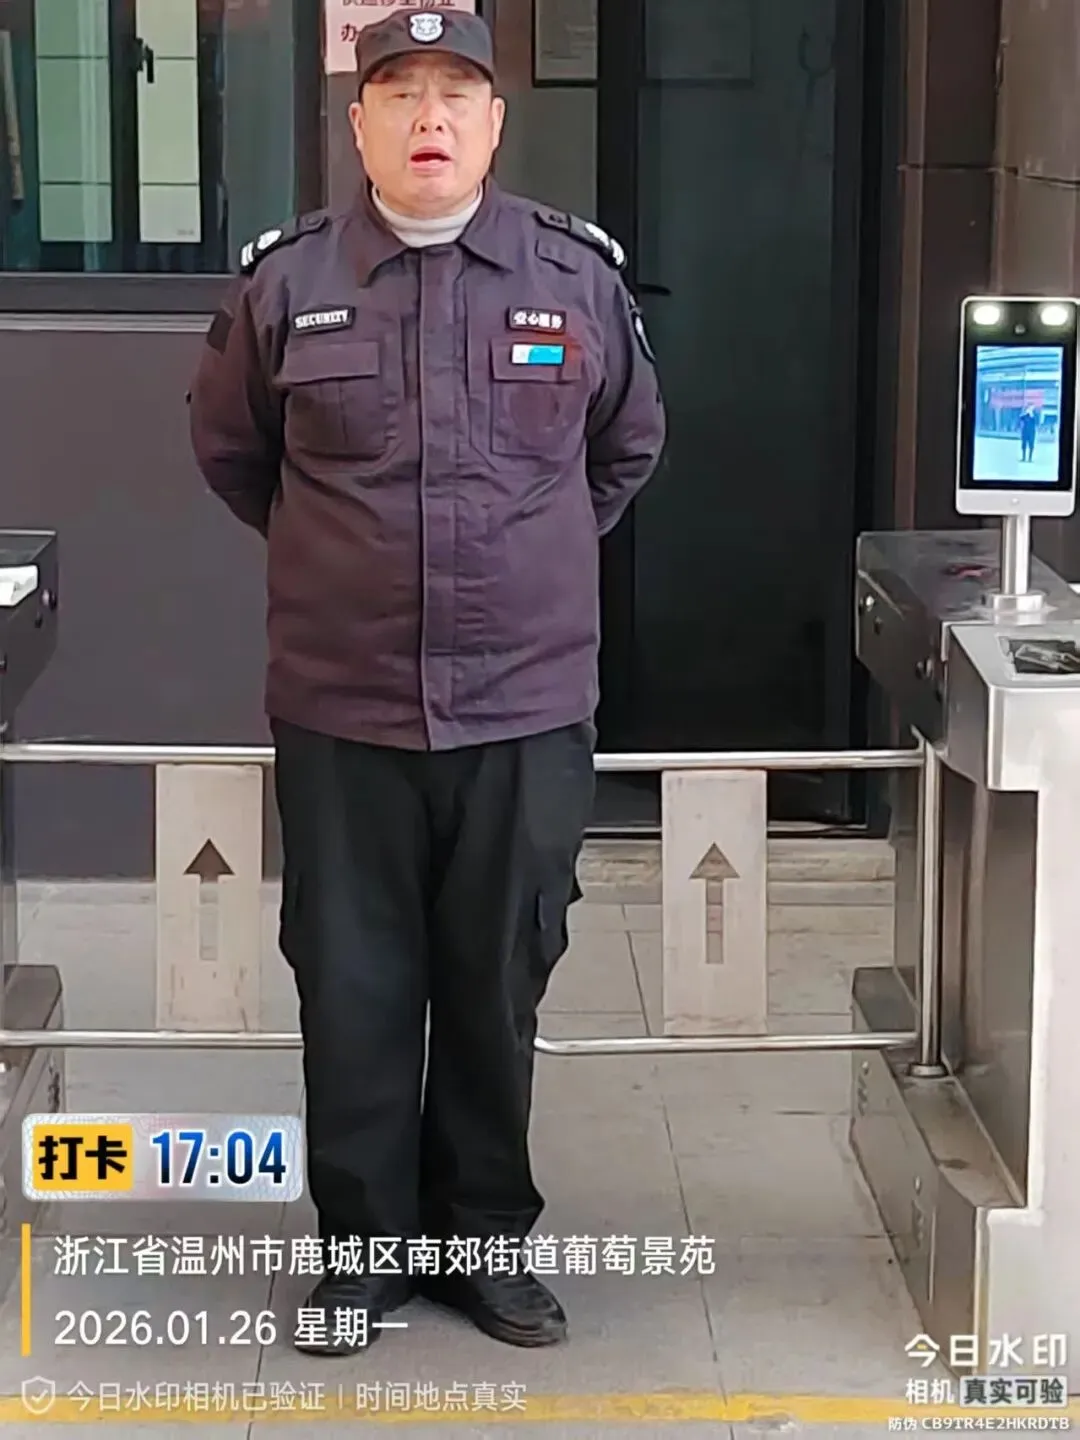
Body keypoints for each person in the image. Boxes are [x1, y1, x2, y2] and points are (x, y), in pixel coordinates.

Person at [187, 7, 666, 1356]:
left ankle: (483, 1245)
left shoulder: (574, 278)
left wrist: (528, 564)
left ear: (496, 123)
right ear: (360, 125)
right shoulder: (287, 283)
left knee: (496, 984)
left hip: (524, 708)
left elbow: (625, 448)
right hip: (343, 709)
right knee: (351, 989)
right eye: (399, 93)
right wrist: (350, 565)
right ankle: (361, 1258)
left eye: (457, 92)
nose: (430, 118)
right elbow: (235, 456)